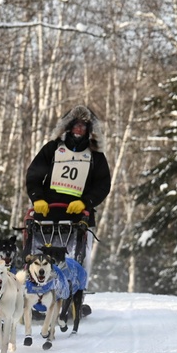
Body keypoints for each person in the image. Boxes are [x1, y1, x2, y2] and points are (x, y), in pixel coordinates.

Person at [24, 104, 111, 286]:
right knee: (37, 254)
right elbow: (34, 175)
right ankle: (34, 289)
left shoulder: (96, 156)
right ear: (68, 127)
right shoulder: (53, 149)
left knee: (79, 259)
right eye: (76, 125)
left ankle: (76, 293)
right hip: (47, 213)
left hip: (79, 216)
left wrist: (86, 202)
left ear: (89, 131)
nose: (79, 129)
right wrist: (37, 198)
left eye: (83, 126)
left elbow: (103, 185)